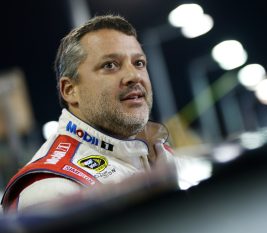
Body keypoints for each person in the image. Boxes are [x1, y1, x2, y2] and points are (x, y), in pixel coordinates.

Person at [1, 14, 176, 213]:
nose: (134, 76)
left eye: (139, 63)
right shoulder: (51, 190)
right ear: (70, 90)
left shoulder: (158, 151)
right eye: (110, 65)